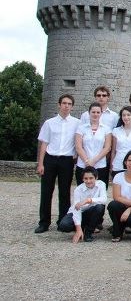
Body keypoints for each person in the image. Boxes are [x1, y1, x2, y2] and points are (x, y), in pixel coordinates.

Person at [35, 94, 81, 233]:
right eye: (64, 103)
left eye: (69, 104)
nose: (66, 106)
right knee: (46, 192)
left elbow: (79, 143)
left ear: (72, 106)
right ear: (59, 104)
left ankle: (63, 221)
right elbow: (44, 143)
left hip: (66, 160)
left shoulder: (77, 123)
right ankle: (44, 222)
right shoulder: (49, 123)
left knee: (64, 192)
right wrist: (40, 163)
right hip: (50, 158)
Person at [57, 166, 107, 243]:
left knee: (100, 207)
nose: (88, 181)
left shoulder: (101, 184)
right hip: (78, 212)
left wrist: (88, 200)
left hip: (91, 212)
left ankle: (88, 232)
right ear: (82, 179)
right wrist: (78, 229)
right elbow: (77, 208)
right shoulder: (78, 189)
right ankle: (81, 228)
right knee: (64, 226)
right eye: (85, 178)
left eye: (91, 178)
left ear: (96, 177)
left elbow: (104, 200)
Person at [74, 102, 112, 186]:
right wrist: (87, 161)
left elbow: (107, 148)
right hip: (83, 165)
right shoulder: (81, 128)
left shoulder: (106, 129)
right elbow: (78, 147)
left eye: (98, 112)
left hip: (100, 165)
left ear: (101, 113)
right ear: (89, 113)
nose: (95, 114)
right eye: (93, 112)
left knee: (99, 192)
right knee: (83, 191)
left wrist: (94, 161)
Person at [110, 106, 131, 177]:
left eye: (128, 115)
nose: (126, 117)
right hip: (118, 165)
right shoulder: (116, 131)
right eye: (123, 115)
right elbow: (113, 151)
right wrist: (111, 165)